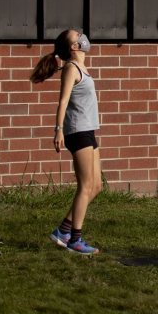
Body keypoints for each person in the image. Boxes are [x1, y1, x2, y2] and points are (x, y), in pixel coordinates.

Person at [30, 29, 103, 255]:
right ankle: (75, 239)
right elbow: (62, 102)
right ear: (74, 46)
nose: (83, 36)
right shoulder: (71, 68)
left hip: (88, 130)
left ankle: (63, 230)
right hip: (76, 131)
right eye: (78, 35)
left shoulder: (82, 68)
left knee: (96, 186)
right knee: (85, 187)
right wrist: (58, 130)